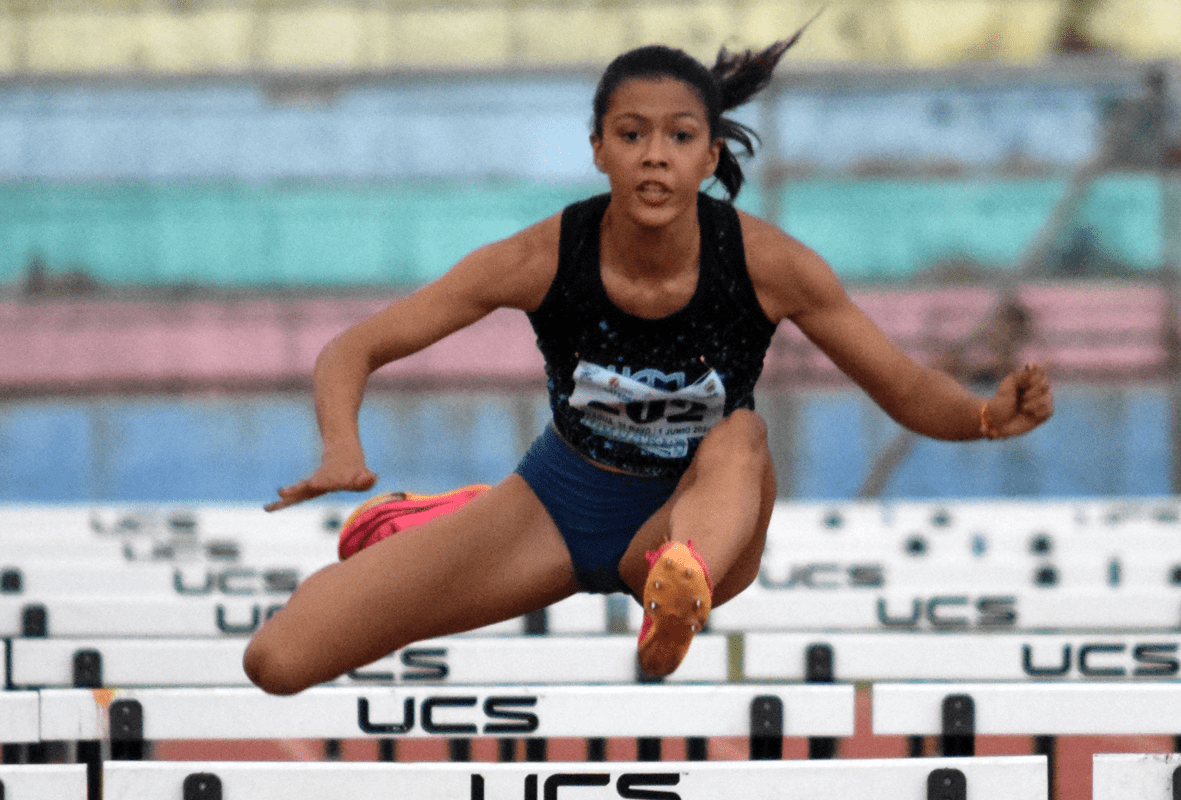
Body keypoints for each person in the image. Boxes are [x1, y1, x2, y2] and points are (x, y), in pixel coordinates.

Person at [242, 27, 1054, 695]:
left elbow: (904, 383)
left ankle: (678, 590)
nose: (654, 156)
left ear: (710, 157)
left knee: (740, 436)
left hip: (700, 513)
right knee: (276, 663)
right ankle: (444, 518)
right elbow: (358, 346)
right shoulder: (539, 257)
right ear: (598, 149)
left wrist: (983, 417)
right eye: (631, 135)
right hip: (555, 504)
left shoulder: (771, 265)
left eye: (679, 137)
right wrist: (341, 448)